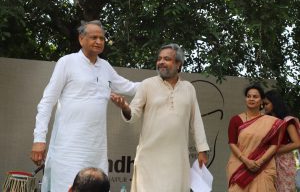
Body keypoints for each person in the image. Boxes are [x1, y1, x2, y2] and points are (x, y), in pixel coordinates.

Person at [30, 20, 139, 192]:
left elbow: (131, 88)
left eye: (102, 38)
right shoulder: (67, 62)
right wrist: (39, 139)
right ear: (81, 39)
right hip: (68, 149)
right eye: (94, 37)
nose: (99, 41)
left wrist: (159, 82)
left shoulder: (105, 67)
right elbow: (47, 102)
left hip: (96, 149)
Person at [111, 43, 210, 192]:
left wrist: (202, 149)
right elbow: (134, 114)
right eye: (159, 59)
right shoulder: (147, 85)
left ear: (178, 64)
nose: (161, 62)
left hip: (177, 157)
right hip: (149, 156)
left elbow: (196, 121)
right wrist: (125, 107)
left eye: (167, 59)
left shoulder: (189, 88)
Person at [226, 84, 285, 191]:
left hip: (263, 167)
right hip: (240, 166)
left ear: (261, 101)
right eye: (249, 96)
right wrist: (246, 161)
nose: (251, 99)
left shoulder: (271, 122)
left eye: (255, 97)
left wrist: (260, 162)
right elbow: (232, 143)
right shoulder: (236, 120)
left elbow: (274, 145)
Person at [264, 89, 300, 192]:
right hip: (270, 161)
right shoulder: (267, 121)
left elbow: (297, 143)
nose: (264, 107)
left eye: (266, 103)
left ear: (274, 103)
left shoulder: (287, 121)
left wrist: (275, 150)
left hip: (285, 162)